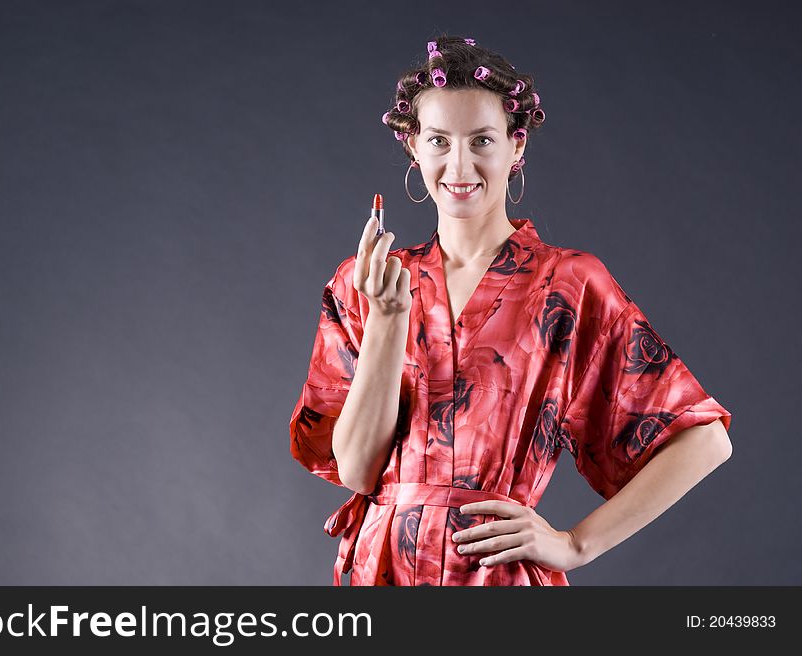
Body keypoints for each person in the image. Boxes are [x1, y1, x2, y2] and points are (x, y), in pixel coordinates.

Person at [289, 35, 733, 586]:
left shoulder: (566, 284)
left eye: (481, 140)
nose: (459, 163)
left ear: (515, 146)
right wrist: (386, 321)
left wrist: (575, 544)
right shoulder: (367, 284)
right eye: (438, 141)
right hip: (379, 571)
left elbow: (705, 439)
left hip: (495, 575)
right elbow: (356, 470)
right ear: (412, 147)